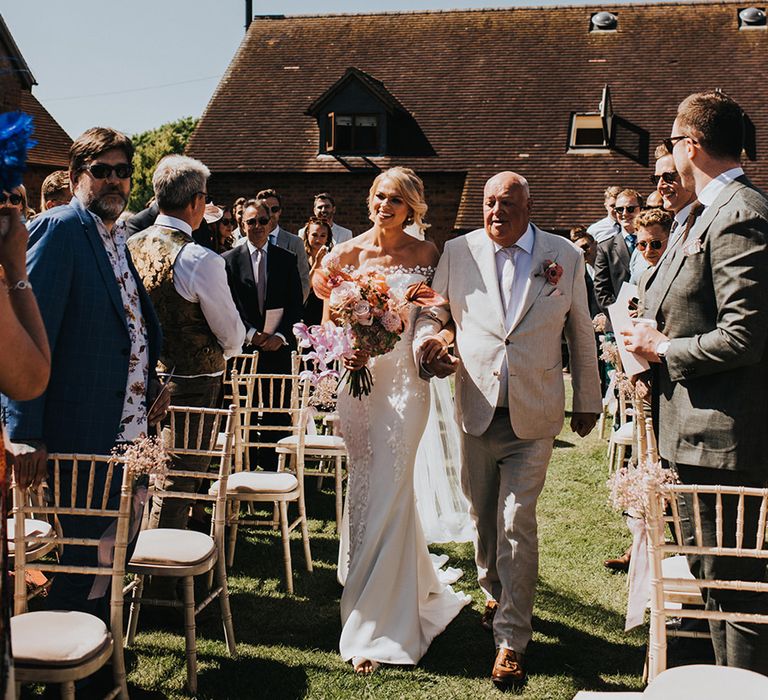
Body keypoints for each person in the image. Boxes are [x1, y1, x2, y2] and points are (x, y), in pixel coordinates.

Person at [414, 171, 601, 689]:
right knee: (482, 516)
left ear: (528, 205)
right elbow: (435, 310)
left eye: (507, 204)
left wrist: (587, 399)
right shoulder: (458, 251)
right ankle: (496, 591)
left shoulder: (564, 255)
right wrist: (429, 345)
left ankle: (511, 640)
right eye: (489, 203)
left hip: (534, 412)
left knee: (518, 520)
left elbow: (580, 330)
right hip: (475, 405)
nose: (496, 212)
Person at [623, 90, 768, 674]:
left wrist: (663, 348)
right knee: (710, 583)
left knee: (735, 590)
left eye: (674, 143)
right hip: (690, 434)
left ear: (689, 145)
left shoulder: (739, 214)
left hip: (722, 442)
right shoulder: (702, 213)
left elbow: (745, 335)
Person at [2, 127, 166, 616]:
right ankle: (71, 677)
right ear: (76, 177)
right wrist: (25, 431)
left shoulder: (118, 237)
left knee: (116, 554)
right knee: (82, 560)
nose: (114, 181)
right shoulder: (60, 229)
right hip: (82, 429)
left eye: (123, 172)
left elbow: (133, 327)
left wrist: (153, 382)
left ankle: (102, 659)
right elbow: (35, 333)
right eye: (102, 172)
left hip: (130, 429)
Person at [314, 166, 471, 674]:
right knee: (367, 484)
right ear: (370, 199)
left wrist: (428, 338)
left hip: (406, 386)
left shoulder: (427, 256)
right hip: (359, 388)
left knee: (392, 482)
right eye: (380, 196)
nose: (386, 206)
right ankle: (378, 580)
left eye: (397, 200)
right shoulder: (343, 256)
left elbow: (435, 315)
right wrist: (346, 353)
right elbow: (327, 329)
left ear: (412, 209)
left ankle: (378, 622)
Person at [127, 155, 245, 530]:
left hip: (137, 381)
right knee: (178, 482)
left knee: (139, 477)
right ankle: (157, 582)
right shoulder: (199, 258)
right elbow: (231, 332)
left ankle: (131, 566)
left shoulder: (128, 245)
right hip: (192, 385)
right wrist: (224, 351)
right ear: (196, 201)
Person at [222, 199, 303, 470]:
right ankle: (242, 467)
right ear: (242, 225)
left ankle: (273, 468)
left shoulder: (286, 259)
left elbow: (295, 304)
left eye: (262, 221)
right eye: (251, 222)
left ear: (271, 223)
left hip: (277, 349)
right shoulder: (228, 262)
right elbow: (227, 305)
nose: (257, 226)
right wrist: (251, 334)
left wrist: (280, 336)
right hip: (243, 350)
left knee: (275, 410)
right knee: (241, 411)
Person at [235, 189, 311, 300]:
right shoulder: (241, 244)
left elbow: (303, 282)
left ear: (280, 211)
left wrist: (292, 310)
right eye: (266, 208)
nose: (270, 213)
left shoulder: (295, 243)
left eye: (274, 209)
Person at [593, 188, 644, 314]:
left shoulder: (654, 244)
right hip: (618, 322)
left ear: (641, 210)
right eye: (620, 209)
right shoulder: (605, 248)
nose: (624, 213)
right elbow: (601, 291)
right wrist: (621, 316)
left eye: (630, 209)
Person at [302, 216, 332, 326]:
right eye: (314, 235)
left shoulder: (332, 259)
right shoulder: (301, 257)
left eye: (322, 235)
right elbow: (304, 286)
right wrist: (317, 263)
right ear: (307, 235)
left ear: (327, 238)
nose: (318, 239)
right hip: (306, 311)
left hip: (325, 309)